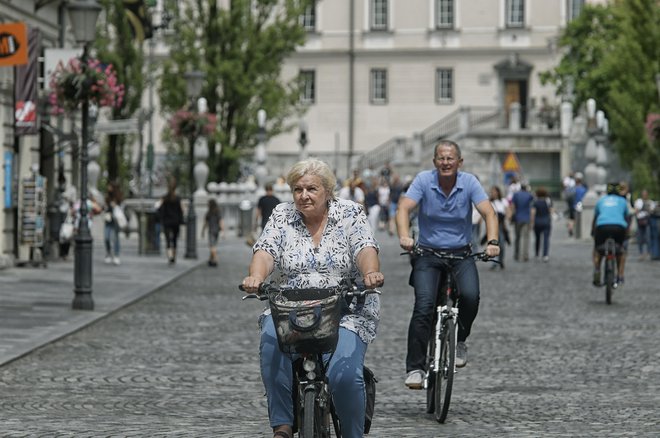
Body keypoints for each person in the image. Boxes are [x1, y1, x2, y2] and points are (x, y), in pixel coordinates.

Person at [241, 158, 384, 438]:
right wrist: (256, 277)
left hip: (344, 306)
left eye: (311, 189)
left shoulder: (350, 213)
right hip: (290, 305)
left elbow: (365, 247)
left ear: (327, 191)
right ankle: (282, 425)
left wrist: (371, 273)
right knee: (271, 341)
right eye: (297, 189)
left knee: (344, 374)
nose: (303, 195)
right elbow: (265, 250)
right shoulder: (282, 215)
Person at [396, 140, 499, 388]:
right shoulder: (423, 180)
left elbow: (489, 212)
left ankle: (460, 340)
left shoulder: (469, 182)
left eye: (450, 158)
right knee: (424, 306)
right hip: (428, 253)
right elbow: (404, 208)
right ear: (434, 162)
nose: (445, 162)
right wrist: (404, 236)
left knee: (471, 296)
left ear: (459, 162)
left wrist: (493, 241)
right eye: (441, 158)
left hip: (461, 254)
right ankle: (416, 368)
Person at [591, 182, 630, 287]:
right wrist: (627, 233)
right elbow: (627, 217)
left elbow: (595, 218)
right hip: (619, 227)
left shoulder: (601, 200)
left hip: (602, 226)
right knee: (621, 251)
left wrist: (592, 232)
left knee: (597, 250)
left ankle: (597, 270)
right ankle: (620, 275)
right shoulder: (622, 201)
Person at [158, 180, 184, 265]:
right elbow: (181, 210)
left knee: (168, 240)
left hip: (167, 221)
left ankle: (170, 257)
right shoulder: (178, 198)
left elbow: (159, 208)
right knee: (175, 239)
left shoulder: (164, 198)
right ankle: (174, 256)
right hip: (176, 221)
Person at [486, 185, 509, 270]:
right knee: (493, 243)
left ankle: (501, 260)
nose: (493, 193)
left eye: (495, 191)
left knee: (502, 244)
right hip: (492, 225)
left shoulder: (503, 201)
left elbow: (507, 211)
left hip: (501, 225)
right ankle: (494, 262)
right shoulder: (489, 202)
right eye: (492, 192)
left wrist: (507, 219)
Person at [510, 183, 534, 262]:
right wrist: (531, 220)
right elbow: (531, 208)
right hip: (526, 218)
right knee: (526, 238)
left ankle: (516, 254)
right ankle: (525, 255)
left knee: (517, 237)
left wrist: (512, 216)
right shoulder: (529, 195)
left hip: (518, 218)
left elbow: (513, 206)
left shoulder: (516, 195)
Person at [103, 182, 123, 265]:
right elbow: (104, 207)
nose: (108, 188)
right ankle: (108, 253)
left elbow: (121, 207)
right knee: (106, 237)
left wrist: (115, 205)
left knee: (115, 238)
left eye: (110, 186)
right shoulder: (107, 197)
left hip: (115, 221)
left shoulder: (118, 197)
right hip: (108, 220)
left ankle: (116, 255)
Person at [531, 186, 553, 262]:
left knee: (537, 239)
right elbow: (551, 211)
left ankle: (537, 253)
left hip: (537, 222)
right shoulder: (548, 201)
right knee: (546, 239)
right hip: (546, 221)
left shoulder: (535, 202)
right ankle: (545, 255)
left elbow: (533, 213)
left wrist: (532, 222)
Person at [201, 198, 224, 267]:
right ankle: (210, 260)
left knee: (212, 246)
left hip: (211, 231)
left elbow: (205, 223)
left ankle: (215, 259)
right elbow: (221, 222)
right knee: (213, 245)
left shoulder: (209, 213)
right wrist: (222, 231)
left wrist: (203, 231)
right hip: (217, 231)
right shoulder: (218, 212)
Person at [634, 189, 654, 260]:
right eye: (643, 193)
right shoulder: (638, 201)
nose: (644, 195)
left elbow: (652, 211)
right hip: (639, 221)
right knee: (640, 238)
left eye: (645, 194)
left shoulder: (650, 202)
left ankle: (648, 253)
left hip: (647, 221)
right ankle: (641, 253)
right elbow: (636, 211)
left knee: (648, 238)